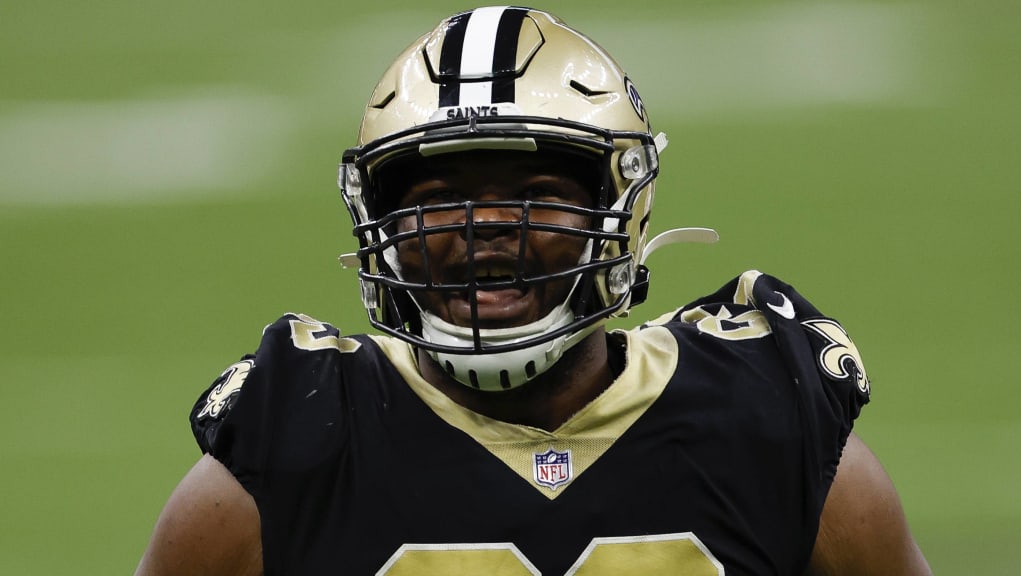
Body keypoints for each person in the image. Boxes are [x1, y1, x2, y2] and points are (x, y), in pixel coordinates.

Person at [135, 6, 932, 575]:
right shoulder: (298, 442)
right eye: (438, 196)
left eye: (538, 191)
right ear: (378, 218)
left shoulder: (769, 423)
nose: (483, 226)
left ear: (617, 208)